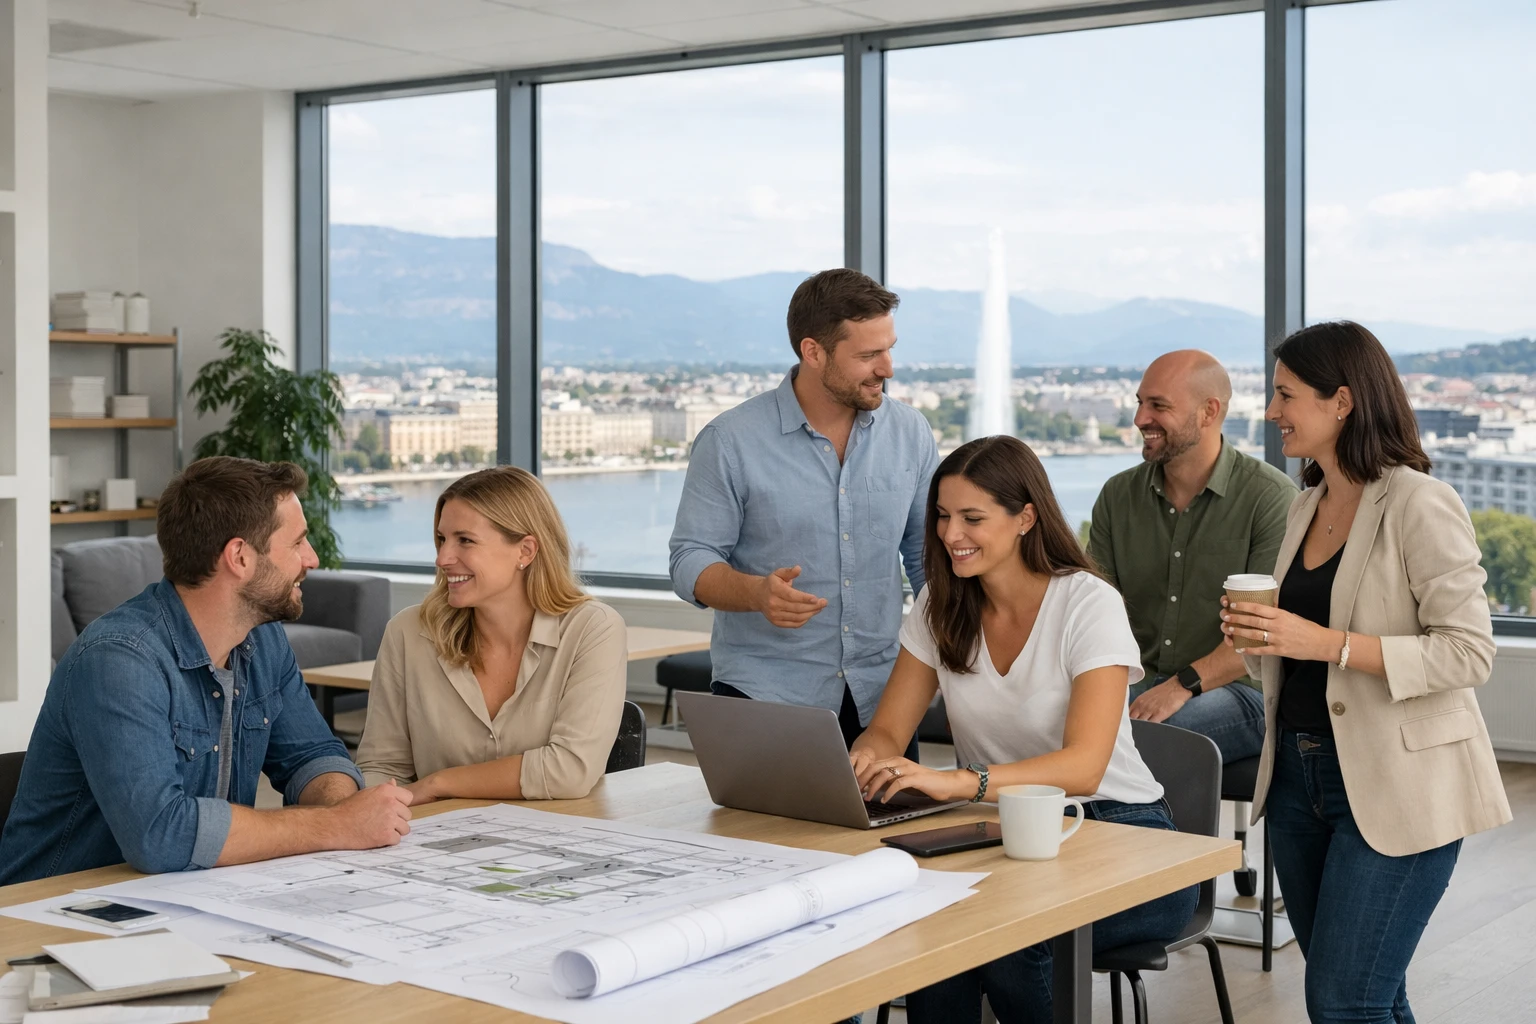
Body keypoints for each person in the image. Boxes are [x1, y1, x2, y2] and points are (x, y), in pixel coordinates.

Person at [848, 435, 1196, 1023]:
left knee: (1010, 936)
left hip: (1124, 834)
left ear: (1026, 518)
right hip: (1002, 831)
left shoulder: (1088, 604)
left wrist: (959, 782)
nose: (950, 534)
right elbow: (886, 731)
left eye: (972, 518)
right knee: (931, 926)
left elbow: (1084, 767)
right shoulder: (939, 605)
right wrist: (869, 758)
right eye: (942, 516)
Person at [1222, 321, 1511, 1023]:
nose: (1271, 411)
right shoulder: (1307, 503)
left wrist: (1328, 644)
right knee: (1371, 995)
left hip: (1399, 783)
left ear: (1342, 401)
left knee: (1344, 1001)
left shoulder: (1418, 501)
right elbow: (1299, 647)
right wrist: (1259, 640)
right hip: (1297, 779)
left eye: (1286, 394)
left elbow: (1469, 651)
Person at [0, 458, 411, 885]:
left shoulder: (262, 640)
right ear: (240, 557)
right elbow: (160, 834)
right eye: (297, 543)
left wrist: (341, 807)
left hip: (192, 893)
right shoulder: (118, 660)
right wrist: (335, 825)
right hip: (54, 905)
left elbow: (312, 755)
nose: (312, 558)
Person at [669, 268, 938, 754]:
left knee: (897, 812)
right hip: (766, 696)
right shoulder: (729, 441)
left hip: (884, 702)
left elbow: (926, 558)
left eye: (890, 348)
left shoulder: (911, 433)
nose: (888, 368)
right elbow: (690, 559)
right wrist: (755, 593)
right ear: (813, 352)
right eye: (868, 355)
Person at [356, 467, 626, 803]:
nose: (442, 558)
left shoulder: (593, 629)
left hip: (558, 831)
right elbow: (381, 767)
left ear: (525, 551)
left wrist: (438, 783)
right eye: (442, 539)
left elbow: (569, 770)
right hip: (436, 832)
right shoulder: (407, 633)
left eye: (465, 540)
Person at [1089, 349, 1295, 764]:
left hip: (1241, 690)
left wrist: (1182, 684)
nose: (1140, 418)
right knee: (1055, 722)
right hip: (1138, 678)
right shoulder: (1117, 496)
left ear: (1209, 412)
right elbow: (1092, 610)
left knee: (1138, 742)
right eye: (1140, 403)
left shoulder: (1270, 499)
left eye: (1158, 405)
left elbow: (1258, 636)